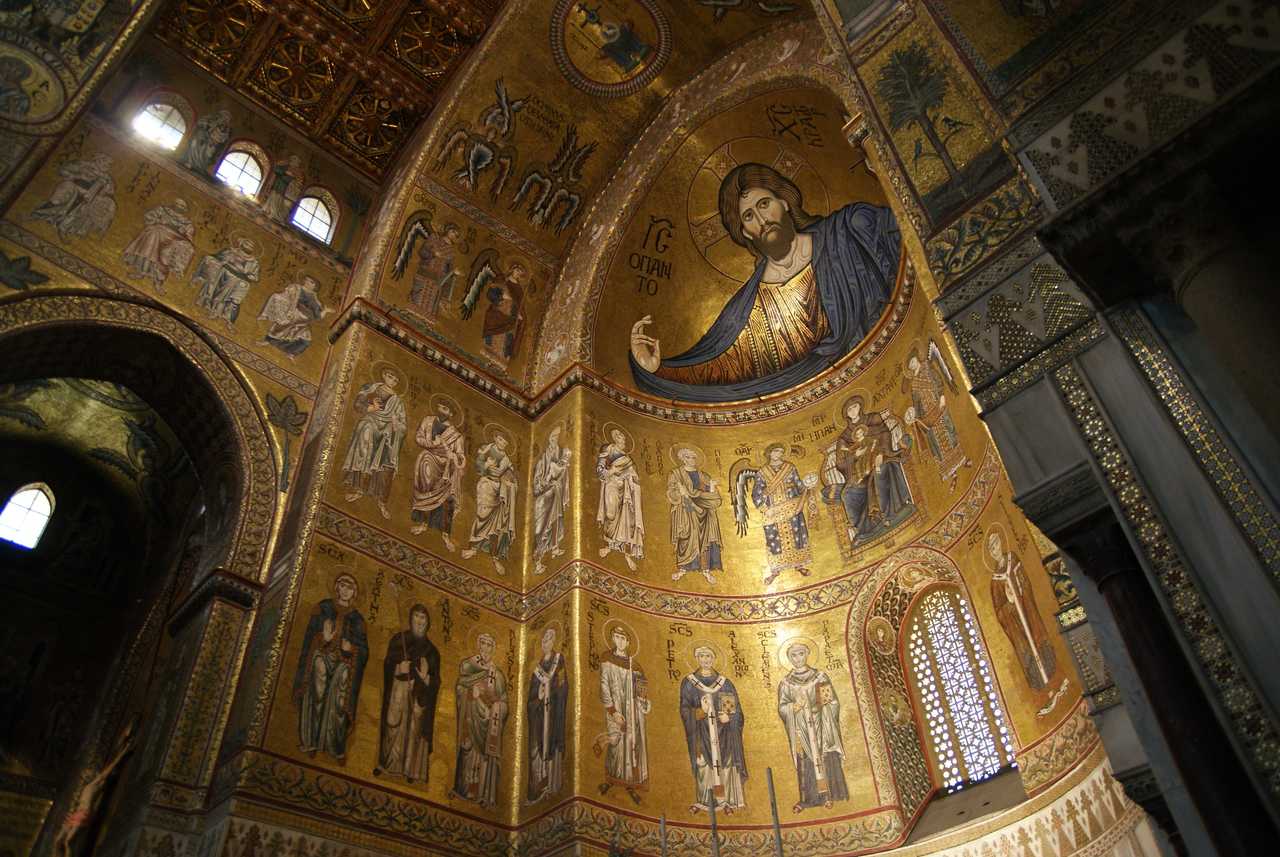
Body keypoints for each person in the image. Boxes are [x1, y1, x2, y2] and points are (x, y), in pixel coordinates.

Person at [630, 162, 900, 402]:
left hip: (890, 371)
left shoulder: (849, 231)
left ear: (784, 202)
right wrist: (656, 369)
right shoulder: (748, 310)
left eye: (764, 204)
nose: (761, 219)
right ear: (745, 233)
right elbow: (719, 368)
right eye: (748, 216)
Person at [293, 573, 369, 761]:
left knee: (341, 690)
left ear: (354, 593)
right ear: (336, 588)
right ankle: (311, 740)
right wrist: (322, 638)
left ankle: (333, 745)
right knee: (318, 680)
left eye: (349, 588)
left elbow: (364, 650)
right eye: (342, 586)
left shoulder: (357, 619)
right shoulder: (323, 608)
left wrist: (351, 649)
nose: (345, 590)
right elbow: (309, 638)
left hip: (344, 662)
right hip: (322, 655)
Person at [823, 396, 913, 546]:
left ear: (861, 407)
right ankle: (865, 529)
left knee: (880, 472)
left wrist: (880, 454)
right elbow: (840, 463)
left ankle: (888, 514)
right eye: (849, 409)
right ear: (846, 414)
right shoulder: (844, 437)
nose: (853, 411)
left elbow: (885, 435)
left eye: (855, 407)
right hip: (859, 472)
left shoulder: (873, 419)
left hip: (881, 460)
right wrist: (854, 456)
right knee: (847, 493)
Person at [776, 642, 848, 813]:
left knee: (824, 757)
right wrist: (794, 707)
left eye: (801, 654)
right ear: (789, 658)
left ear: (807, 654)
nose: (798, 658)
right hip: (801, 728)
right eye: (793, 655)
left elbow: (832, 701)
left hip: (821, 725)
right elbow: (782, 708)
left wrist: (824, 705)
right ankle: (808, 799)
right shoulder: (786, 683)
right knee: (806, 761)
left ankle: (829, 795)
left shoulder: (820, 676)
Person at [375, 603, 440, 783]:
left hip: (418, 697)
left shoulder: (432, 652)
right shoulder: (399, 640)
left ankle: (409, 770)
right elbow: (388, 665)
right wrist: (397, 667)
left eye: (423, 618)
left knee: (413, 732)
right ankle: (387, 764)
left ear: (428, 622)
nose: (419, 621)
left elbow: (436, 682)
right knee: (393, 726)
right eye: (417, 617)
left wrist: (426, 678)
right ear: (411, 619)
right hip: (398, 690)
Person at [731, 444, 814, 585]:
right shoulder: (763, 472)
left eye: (781, 452)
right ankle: (775, 570)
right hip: (772, 511)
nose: (778, 454)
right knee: (774, 539)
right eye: (776, 452)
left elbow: (799, 486)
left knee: (797, 535)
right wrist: (764, 508)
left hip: (791, 507)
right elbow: (756, 493)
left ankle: (799, 565)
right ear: (769, 453)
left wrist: (807, 484)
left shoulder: (790, 467)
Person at [52, 720, 135, 857]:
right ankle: (124, 747)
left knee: (65, 841)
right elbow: (66, 840)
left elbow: (109, 769)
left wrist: (124, 752)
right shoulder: (90, 786)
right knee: (61, 841)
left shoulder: (92, 786)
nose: (87, 773)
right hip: (83, 812)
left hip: (83, 811)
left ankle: (124, 747)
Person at [680, 646, 747, 813]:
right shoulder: (689, 683)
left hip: (724, 733)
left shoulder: (725, 683)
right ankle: (705, 801)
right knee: (703, 764)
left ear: (714, 658)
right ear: (697, 658)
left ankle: (726, 802)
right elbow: (684, 709)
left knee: (726, 765)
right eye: (702, 656)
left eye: (709, 656)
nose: (706, 660)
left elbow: (737, 710)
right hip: (701, 733)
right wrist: (699, 711)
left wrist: (729, 718)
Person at [988, 529, 1057, 689]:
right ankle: (1039, 685)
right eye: (991, 548)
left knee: (1037, 635)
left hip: (1027, 609)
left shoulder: (1013, 559)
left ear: (1001, 543)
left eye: (996, 544)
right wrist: (1009, 604)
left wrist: (1019, 594)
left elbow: (1025, 581)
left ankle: (1053, 674)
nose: (995, 549)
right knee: (1024, 647)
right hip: (1015, 622)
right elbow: (999, 610)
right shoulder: (994, 581)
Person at [451, 633, 508, 808]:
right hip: (470, 720)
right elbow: (460, 687)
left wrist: (497, 708)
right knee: (468, 752)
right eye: (482, 644)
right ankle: (463, 789)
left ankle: (483, 794)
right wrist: (470, 693)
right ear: (478, 645)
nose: (485, 648)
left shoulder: (497, 675)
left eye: (489, 645)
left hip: (489, 724)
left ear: (493, 649)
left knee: (484, 757)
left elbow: (504, 702)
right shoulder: (469, 666)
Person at [341, 367, 407, 519]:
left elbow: (403, 426)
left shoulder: (397, 402)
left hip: (387, 430)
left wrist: (396, 424)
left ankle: (380, 499)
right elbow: (358, 404)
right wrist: (372, 407)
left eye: (395, 380)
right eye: (390, 376)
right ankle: (358, 488)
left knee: (387, 452)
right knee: (366, 430)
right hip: (370, 420)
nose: (392, 380)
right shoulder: (370, 388)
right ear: (384, 375)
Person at [902, 341, 969, 488]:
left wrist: (942, 396)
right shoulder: (913, 385)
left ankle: (963, 460)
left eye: (912, 361)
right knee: (937, 447)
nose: (912, 365)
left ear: (916, 358)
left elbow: (938, 380)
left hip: (938, 406)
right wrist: (918, 418)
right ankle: (952, 474)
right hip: (929, 417)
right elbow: (917, 403)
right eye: (910, 365)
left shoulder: (927, 367)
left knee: (950, 433)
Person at [598, 624, 649, 804]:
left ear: (628, 642)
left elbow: (642, 690)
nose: (619, 641)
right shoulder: (606, 659)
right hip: (616, 709)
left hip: (633, 711)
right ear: (612, 639)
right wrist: (613, 711)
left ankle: (631, 783)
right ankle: (612, 779)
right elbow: (604, 685)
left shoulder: (634, 666)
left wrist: (643, 703)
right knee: (616, 744)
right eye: (616, 637)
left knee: (632, 745)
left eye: (623, 638)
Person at [410, 398, 466, 551]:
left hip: (448, 468)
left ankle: (445, 535)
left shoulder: (456, 436)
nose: (442, 410)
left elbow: (461, 457)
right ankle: (423, 523)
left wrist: (454, 457)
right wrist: (433, 444)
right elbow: (419, 438)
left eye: (446, 409)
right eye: (441, 407)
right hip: (429, 458)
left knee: (448, 497)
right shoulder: (428, 421)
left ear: (451, 413)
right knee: (425, 461)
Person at [461, 430, 518, 575]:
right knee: (482, 516)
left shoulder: (506, 459)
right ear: (495, 438)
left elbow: (510, 475)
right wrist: (486, 464)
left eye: (505, 442)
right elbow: (478, 467)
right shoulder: (486, 449)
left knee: (497, 526)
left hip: (500, 492)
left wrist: (509, 482)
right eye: (500, 440)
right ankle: (473, 548)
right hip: (486, 486)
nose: (503, 443)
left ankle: (494, 556)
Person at [667, 446, 724, 584]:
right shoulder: (676, 474)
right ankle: (683, 568)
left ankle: (706, 570)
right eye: (688, 457)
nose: (692, 460)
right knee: (687, 536)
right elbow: (671, 492)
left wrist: (711, 487)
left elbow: (709, 493)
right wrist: (680, 494)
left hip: (704, 511)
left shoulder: (702, 474)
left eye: (693, 457)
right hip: (687, 510)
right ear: (682, 458)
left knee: (706, 540)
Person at [28, 153, 116, 241]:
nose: (106, 166)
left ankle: (63, 228)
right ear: (98, 160)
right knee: (59, 197)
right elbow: (63, 170)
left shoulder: (106, 177)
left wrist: (104, 187)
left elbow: (109, 191)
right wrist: (76, 176)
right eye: (105, 162)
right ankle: (40, 212)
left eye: (108, 165)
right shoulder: (83, 165)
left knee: (85, 208)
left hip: (88, 196)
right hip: (72, 187)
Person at [527, 627, 568, 804]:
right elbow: (530, 698)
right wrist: (539, 696)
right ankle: (538, 786)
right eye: (544, 640)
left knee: (551, 743)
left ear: (554, 642)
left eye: (550, 639)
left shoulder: (559, 661)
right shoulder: (536, 670)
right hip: (539, 716)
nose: (546, 643)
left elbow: (564, 684)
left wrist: (554, 690)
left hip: (554, 713)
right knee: (536, 748)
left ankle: (552, 786)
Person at [121, 198, 196, 290]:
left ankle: (158, 280)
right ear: (174, 204)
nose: (179, 207)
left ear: (184, 210)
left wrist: (183, 232)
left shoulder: (186, 222)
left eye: (182, 207)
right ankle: (142, 270)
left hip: (173, 239)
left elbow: (189, 238)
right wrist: (157, 220)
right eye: (178, 205)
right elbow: (149, 216)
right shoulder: (163, 210)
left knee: (161, 240)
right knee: (153, 232)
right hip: (157, 232)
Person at [596, 428, 644, 571]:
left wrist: (633, 478)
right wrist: (611, 472)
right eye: (617, 435)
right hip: (611, 485)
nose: (621, 437)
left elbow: (635, 475)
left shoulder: (628, 459)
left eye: (622, 435)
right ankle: (610, 544)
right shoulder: (608, 449)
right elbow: (599, 470)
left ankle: (623, 551)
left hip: (626, 489)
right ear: (614, 438)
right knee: (611, 514)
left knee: (626, 518)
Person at [191, 237, 261, 328]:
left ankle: (216, 311)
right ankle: (206, 303)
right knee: (213, 284)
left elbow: (255, 277)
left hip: (236, 279)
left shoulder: (253, 262)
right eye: (246, 244)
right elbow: (217, 257)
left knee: (224, 293)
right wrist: (222, 261)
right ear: (241, 244)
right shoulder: (231, 251)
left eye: (249, 247)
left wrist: (246, 275)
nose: (247, 247)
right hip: (221, 272)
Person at [532, 426, 571, 575]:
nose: (555, 442)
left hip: (554, 495)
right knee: (541, 529)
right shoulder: (543, 461)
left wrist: (563, 464)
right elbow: (537, 484)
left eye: (557, 439)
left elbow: (559, 474)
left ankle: (554, 547)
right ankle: (537, 561)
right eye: (553, 439)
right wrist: (548, 483)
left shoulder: (559, 459)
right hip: (543, 498)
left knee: (555, 521)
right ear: (549, 441)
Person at [258, 275, 328, 357]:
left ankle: (292, 352)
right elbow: (285, 296)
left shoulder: (314, 297)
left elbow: (317, 315)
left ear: (314, 285)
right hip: (293, 314)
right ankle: (268, 341)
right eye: (306, 280)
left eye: (310, 282)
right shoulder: (296, 288)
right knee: (282, 326)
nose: (306, 282)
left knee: (306, 338)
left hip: (304, 321)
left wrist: (325, 311)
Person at [410, 222, 464, 316]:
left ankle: (422, 322)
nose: (453, 234)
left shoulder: (451, 252)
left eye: (456, 234)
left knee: (429, 304)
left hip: (436, 281)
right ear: (447, 229)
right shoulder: (434, 238)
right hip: (424, 273)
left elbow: (448, 271)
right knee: (417, 297)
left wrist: (454, 273)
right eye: (453, 231)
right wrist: (432, 254)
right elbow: (422, 252)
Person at [480, 262, 527, 365]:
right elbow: (490, 294)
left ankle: (500, 361)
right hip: (498, 311)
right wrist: (501, 297)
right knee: (492, 333)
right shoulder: (502, 280)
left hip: (510, 316)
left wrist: (520, 314)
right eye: (517, 270)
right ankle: (487, 356)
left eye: (520, 272)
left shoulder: (519, 289)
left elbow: (520, 305)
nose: (518, 273)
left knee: (506, 337)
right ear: (512, 269)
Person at [180, 108, 231, 173]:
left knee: (208, 153)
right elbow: (201, 122)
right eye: (223, 117)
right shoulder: (210, 119)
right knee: (194, 143)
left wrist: (216, 138)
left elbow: (223, 138)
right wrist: (207, 126)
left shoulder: (225, 129)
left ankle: (199, 166)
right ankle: (190, 161)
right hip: (201, 137)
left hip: (212, 143)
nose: (224, 119)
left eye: (226, 118)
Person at [264, 154, 305, 221]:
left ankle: (273, 213)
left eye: (297, 163)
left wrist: (291, 178)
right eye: (295, 161)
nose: (295, 164)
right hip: (278, 184)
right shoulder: (285, 166)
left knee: (278, 199)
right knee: (273, 196)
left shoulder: (297, 173)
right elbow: (277, 169)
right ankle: (268, 209)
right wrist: (285, 172)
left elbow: (296, 182)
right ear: (292, 161)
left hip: (285, 189)